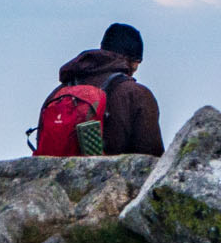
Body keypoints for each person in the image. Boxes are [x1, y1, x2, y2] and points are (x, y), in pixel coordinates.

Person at [46, 22, 164, 156]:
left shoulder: (59, 93)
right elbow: (151, 157)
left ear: (102, 49)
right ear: (134, 61)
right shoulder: (137, 95)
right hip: (112, 176)